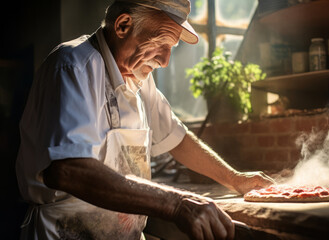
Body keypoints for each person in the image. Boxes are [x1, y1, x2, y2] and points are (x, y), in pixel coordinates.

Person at [16, 0, 275, 239]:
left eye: (171, 49)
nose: (165, 60)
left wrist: (235, 178)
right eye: (161, 43)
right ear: (123, 25)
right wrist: (177, 203)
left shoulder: (138, 77)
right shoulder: (73, 66)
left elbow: (176, 137)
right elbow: (68, 170)